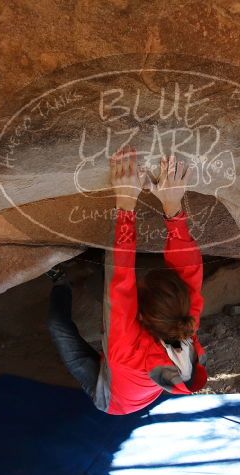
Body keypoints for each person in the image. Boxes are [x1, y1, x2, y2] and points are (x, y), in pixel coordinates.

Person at [46, 146, 207, 415]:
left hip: (110, 396)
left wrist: (125, 204)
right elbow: (188, 268)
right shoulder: (184, 324)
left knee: (56, 324)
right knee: (101, 284)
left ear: (140, 314)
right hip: (144, 377)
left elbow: (121, 280)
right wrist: (172, 206)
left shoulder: (127, 348)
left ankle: (60, 281)